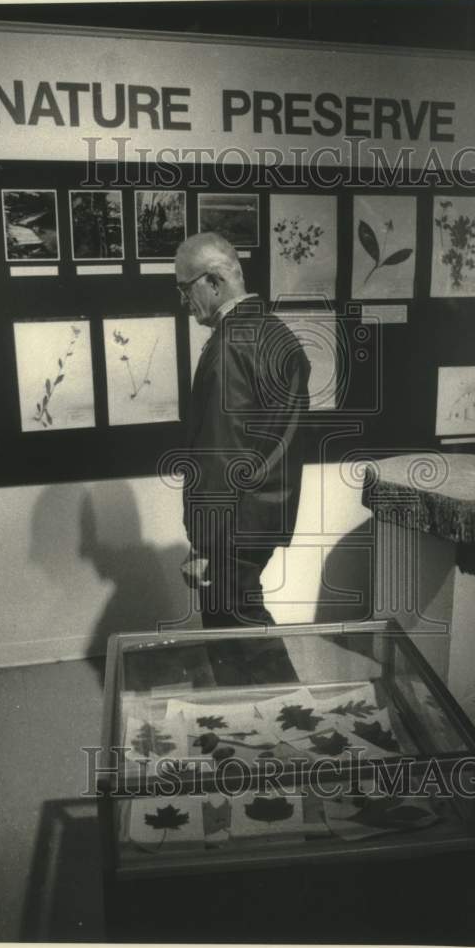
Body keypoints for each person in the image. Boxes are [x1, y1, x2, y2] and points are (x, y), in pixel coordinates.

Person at [175, 232, 310, 679]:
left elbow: (221, 451)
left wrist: (204, 543)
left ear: (212, 282)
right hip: (265, 516)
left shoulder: (231, 346)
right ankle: (265, 730)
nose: (183, 300)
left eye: (184, 287)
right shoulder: (277, 334)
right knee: (240, 632)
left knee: (239, 642)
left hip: (231, 526)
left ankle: (288, 733)